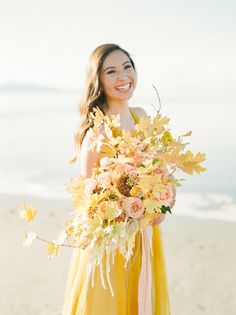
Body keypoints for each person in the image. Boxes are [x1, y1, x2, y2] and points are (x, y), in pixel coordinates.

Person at [62, 43, 175, 315]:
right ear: (98, 81)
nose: (123, 77)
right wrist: (126, 208)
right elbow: (89, 200)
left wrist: (163, 199)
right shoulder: (96, 132)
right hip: (110, 242)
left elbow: (160, 171)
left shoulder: (142, 116)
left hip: (145, 236)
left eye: (127, 67)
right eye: (111, 71)